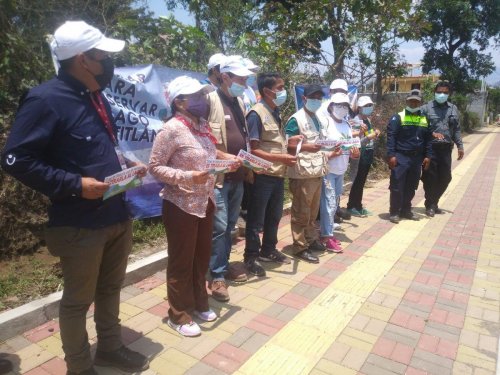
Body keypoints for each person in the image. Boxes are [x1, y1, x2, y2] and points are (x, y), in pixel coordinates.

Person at [1, 21, 149, 374]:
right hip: (80, 223)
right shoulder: (45, 99)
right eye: (104, 56)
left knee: (111, 288)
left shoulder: (95, 96)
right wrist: (74, 184)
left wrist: (122, 161)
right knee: (78, 301)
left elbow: (96, 147)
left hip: (116, 212)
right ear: (84, 59)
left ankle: (110, 350)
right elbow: (14, 159)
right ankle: (80, 367)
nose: (110, 63)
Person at [149, 76, 224, 337]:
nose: (202, 101)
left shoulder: (201, 126)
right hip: (180, 204)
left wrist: (230, 161)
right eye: (196, 96)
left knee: (201, 257)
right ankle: (178, 314)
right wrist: (188, 177)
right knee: (181, 261)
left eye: (203, 95)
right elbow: (155, 167)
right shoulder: (171, 129)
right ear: (179, 102)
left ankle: (199, 302)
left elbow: (210, 157)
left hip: (205, 202)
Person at [207, 56, 253, 302]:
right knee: (219, 227)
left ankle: (222, 267)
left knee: (230, 226)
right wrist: (224, 156)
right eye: (241, 79)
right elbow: (203, 142)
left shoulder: (240, 102)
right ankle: (215, 276)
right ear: (225, 77)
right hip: (219, 178)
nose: (244, 83)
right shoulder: (209, 101)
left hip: (238, 176)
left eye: (246, 79)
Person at [244, 72, 298, 277]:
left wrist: (291, 144)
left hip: (277, 174)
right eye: (280, 87)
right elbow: (253, 150)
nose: (283, 91)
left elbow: (275, 142)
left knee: (274, 216)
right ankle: (250, 257)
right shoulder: (256, 114)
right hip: (262, 175)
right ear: (267, 91)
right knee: (256, 219)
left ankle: (268, 250)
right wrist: (282, 159)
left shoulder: (275, 111)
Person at [285, 84, 328, 264]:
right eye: (313, 97)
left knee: (312, 211)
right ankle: (300, 246)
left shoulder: (317, 118)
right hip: (302, 173)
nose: (316, 101)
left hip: (316, 171)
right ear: (304, 99)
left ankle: (310, 239)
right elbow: (288, 144)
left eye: (319, 97)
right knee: (301, 212)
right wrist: (308, 147)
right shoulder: (296, 119)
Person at [319, 93, 360, 252]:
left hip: (340, 170)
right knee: (328, 204)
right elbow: (319, 146)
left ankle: (328, 232)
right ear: (331, 106)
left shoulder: (347, 125)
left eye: (345, 105)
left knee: (334, 203)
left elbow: (351, 148)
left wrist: (354, 153)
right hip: (328, 170)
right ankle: (326, 236)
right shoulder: (325, 123)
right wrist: (330, 153)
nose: (342, 108)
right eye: (339, 104)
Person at [386, 89, 432, 223]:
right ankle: (394, 212)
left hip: (416, 159)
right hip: (401, 156)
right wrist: (391, 155)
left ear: (420, 103)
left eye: (416, 101)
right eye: (411, 101)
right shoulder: (398, 117)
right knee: (397, 185)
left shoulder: (424, 118)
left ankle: (406, 210)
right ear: (407, 101)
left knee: (412, 186)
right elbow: (391, 137)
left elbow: (428, 139)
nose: (413, 103)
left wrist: (428, 156)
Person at [421, 81, 464, 217]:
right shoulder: (425, 108)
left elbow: (456, 129)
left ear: (449, 94)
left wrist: (460, 146)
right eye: (439, 92)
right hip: (430, 148)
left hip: (446, 148)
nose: (442, 94)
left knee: (446, 177)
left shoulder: (453, 109)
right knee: (430, 178)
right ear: (435, 92)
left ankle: (433, 202)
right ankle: (430, 205)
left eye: (445, 93)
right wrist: (431, 133)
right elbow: (419, 127)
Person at [347, 96, 381, 216]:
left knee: (362, 182)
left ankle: (358, 205)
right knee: (357, 182)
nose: (368, 108)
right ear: (359, 108)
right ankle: (351, 206)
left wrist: (374, 134)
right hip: (359, 156)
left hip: (368, 155)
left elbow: (368, 137)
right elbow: (356, 143)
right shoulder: (356, 121)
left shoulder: (368, 120)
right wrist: (368, 137)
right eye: (366, 106)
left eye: (370, 105)